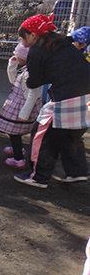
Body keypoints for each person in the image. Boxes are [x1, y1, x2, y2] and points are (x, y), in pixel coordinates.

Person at [14, 14, 90, 188]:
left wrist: (27, 80)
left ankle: (38, 176)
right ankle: (76, 171)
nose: (21, 40)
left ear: (33, 35)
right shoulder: (64, 44)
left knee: (42, 134)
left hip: (65, 97)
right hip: (87, 96)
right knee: (71, 133)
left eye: (22, 36)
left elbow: (35, 81)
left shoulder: (38, 50)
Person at [0, 41, 42, 169]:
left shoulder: (31, 74)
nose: (16, 56)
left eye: (18, 54)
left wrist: (24, 114)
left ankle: (18, 158)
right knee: (14, 131)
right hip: (18, 106)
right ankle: (17, 149)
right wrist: (12, 64)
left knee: (15, 133)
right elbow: (13, 81)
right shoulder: (26, 69)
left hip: (22, 108)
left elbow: (32, 95)